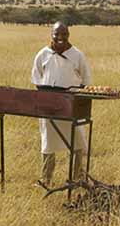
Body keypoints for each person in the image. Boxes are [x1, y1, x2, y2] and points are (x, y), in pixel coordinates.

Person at [31, 21, 92, 187]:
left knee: (77, 141)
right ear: (51, 34)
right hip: (48, 105)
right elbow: (37, 78)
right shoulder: (43, 54)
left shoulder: (77, 55)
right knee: (48, 142)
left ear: (68, 35)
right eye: (57, 34)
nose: (60, 38)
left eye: (64, 34)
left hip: (70, 105)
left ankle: (77, 178)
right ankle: (46, 179)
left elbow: (86, 80)